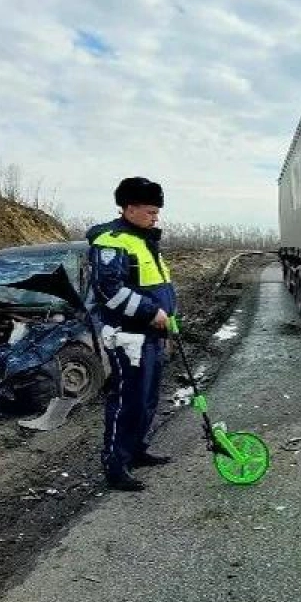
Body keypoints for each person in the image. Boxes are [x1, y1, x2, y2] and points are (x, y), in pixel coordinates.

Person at [87, 177, 177, 491]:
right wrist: (152, 312)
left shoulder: (144, 239)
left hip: (151, 335)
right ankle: (115, 464)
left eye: (157, 211)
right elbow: (108, 290)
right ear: (129, 208)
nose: (156, 217)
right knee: (128, 400)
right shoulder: (111, 241)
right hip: (128, 337)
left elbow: (157, 285)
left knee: (147, 398)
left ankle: (135, 449)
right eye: (151, 211)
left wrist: (167, 316)